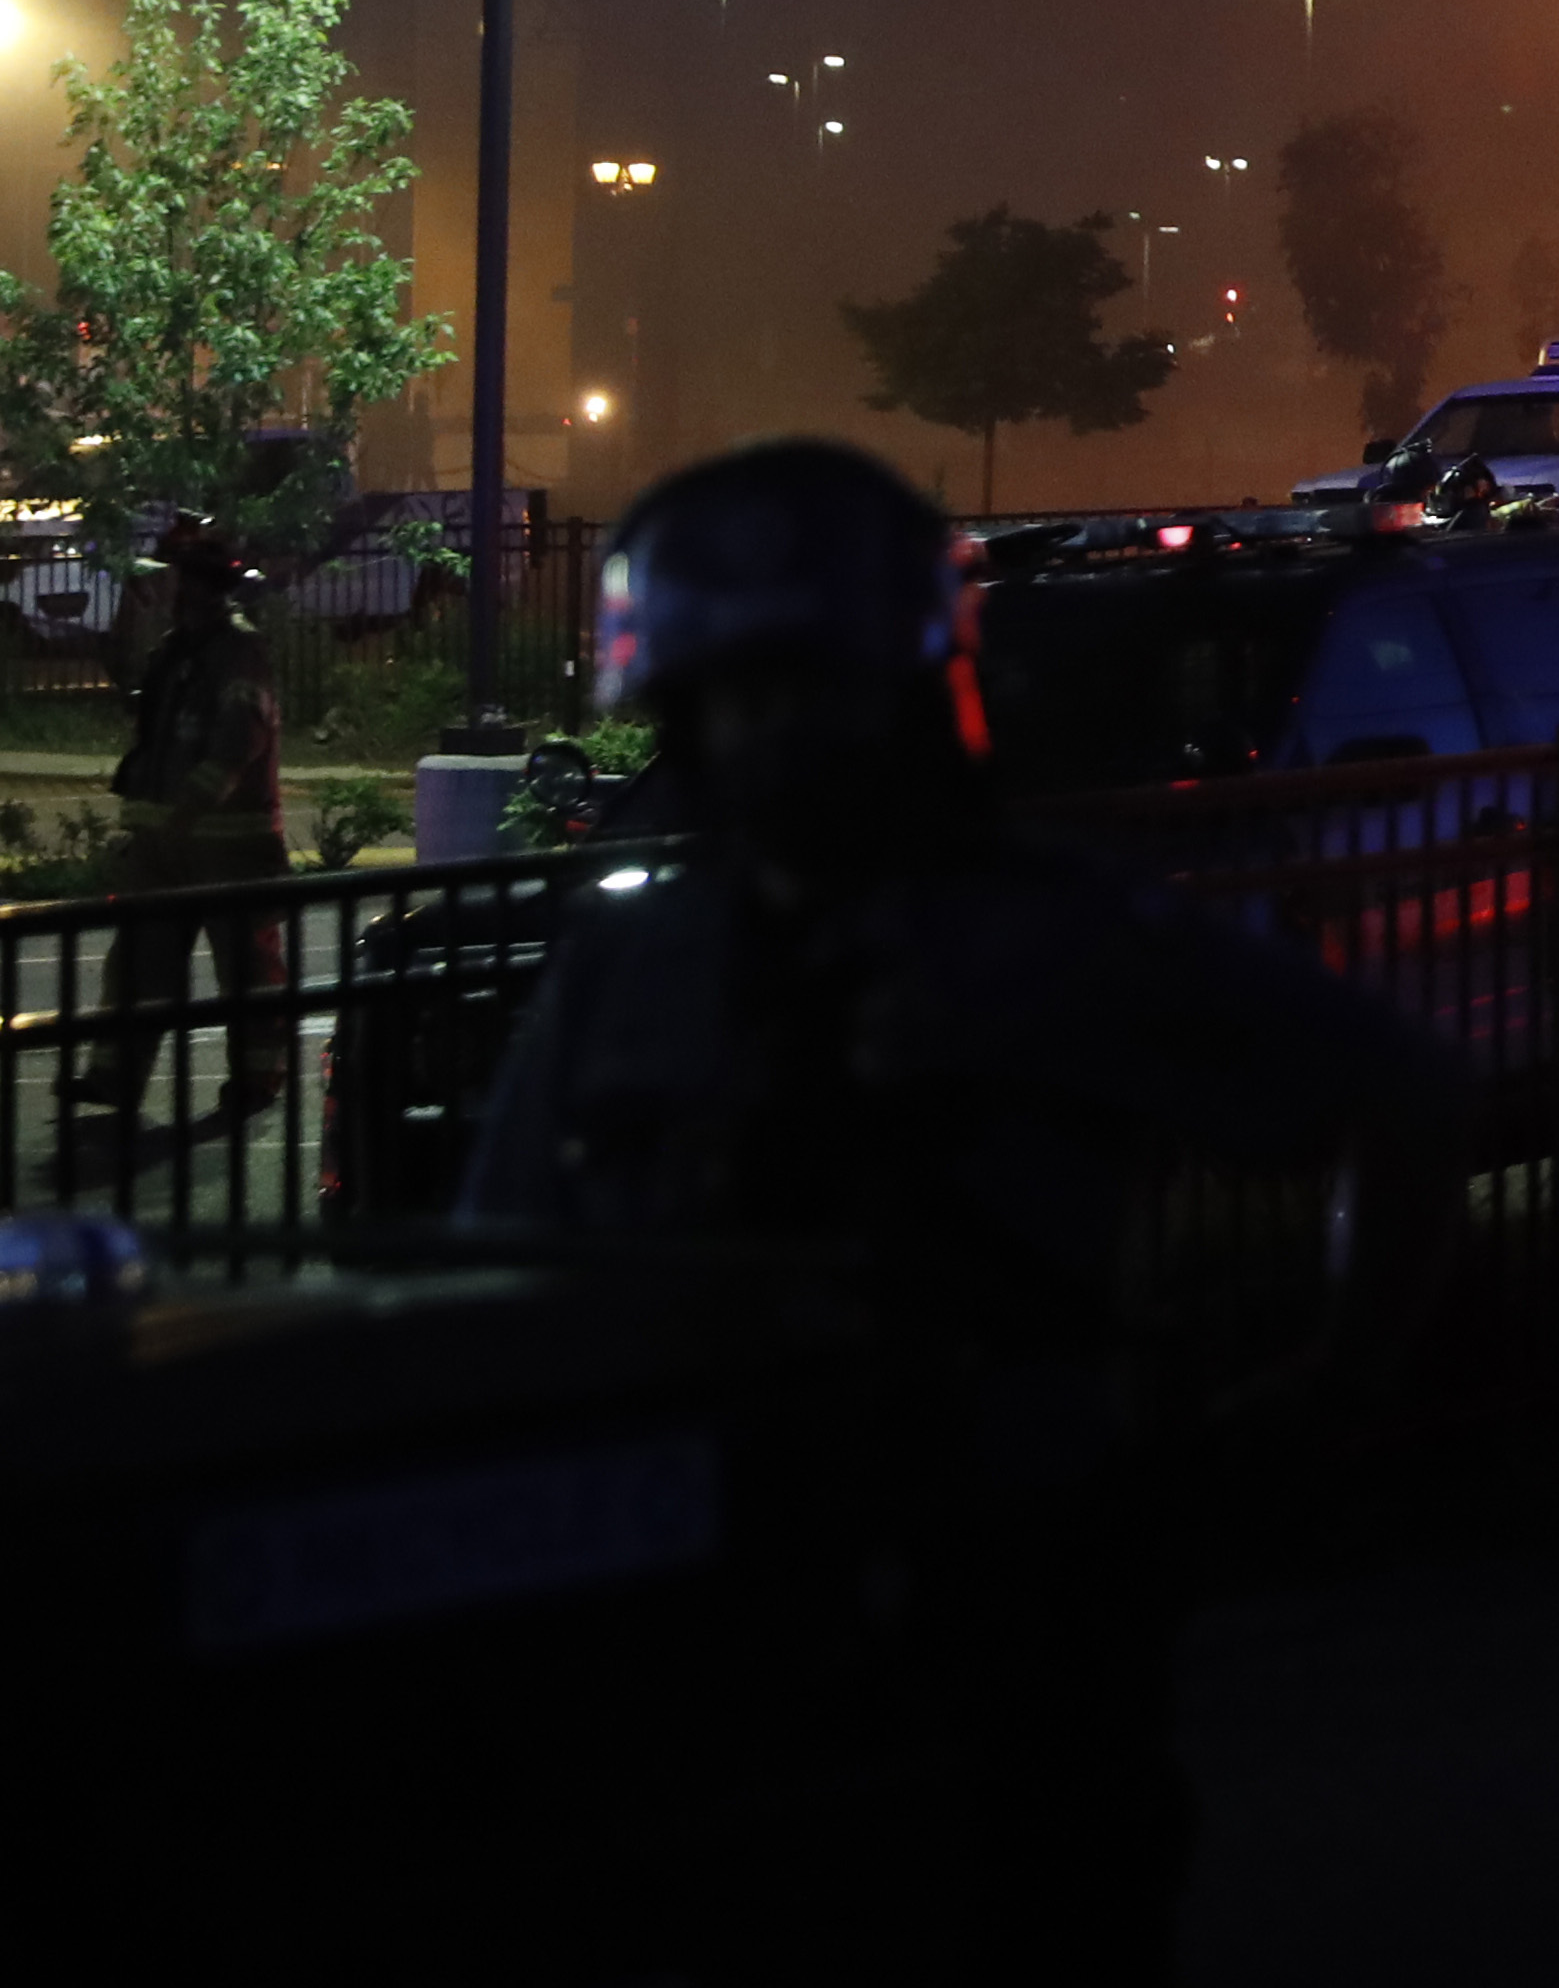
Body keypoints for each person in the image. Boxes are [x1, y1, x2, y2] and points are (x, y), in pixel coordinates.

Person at [462, 438, 1461, 1978]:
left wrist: (1326, 1388)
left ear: (906, 703)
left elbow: (1391, 1096)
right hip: (700, 1613)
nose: (773, 743)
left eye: (809, 695)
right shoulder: (631, 967)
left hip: (1003, 1596)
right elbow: (504, 1259)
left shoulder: (1054, 937)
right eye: (739, 702)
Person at [65, 516, 293, 1136]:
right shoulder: (176, 651)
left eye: (167, 575)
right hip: (167, 846)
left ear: (193, 583)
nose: (157, 587)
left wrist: (185, 813)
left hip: (230, 850)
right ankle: (114, 1077)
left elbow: (237, 742)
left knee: (246, 971)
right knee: (140, 963)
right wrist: (150, 828)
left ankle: (257, 1078)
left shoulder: (237, 651)